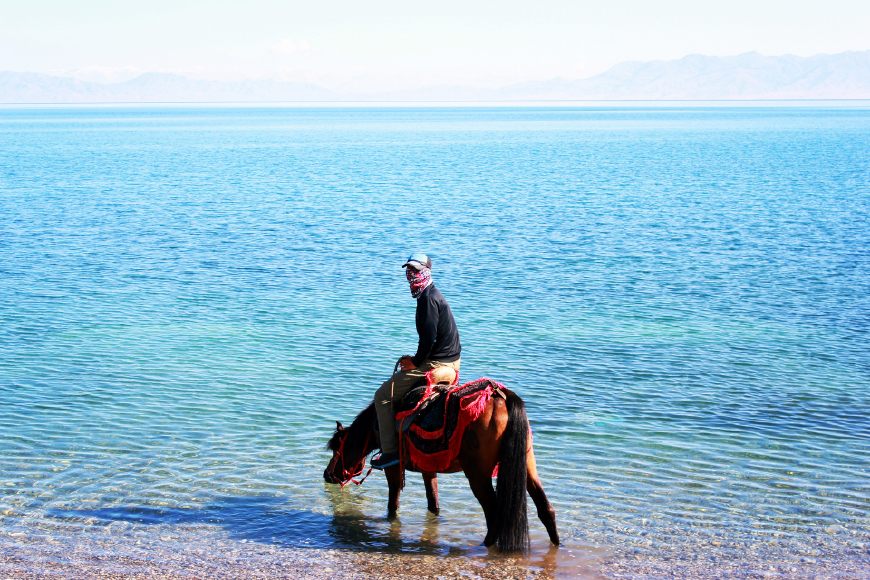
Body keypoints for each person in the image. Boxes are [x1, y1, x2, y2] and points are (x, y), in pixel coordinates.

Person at [370, 253, 462, 469]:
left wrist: (415, 361)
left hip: (438, 365)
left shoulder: (428, 299)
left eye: (416, 270)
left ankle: (391, 452)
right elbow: (430, 338)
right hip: (449, 361)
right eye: (409, 270)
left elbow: (429, 338)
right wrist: (415, 358)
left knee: (382, 396)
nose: (411, 275)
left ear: (426, 272)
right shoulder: (430, 294)